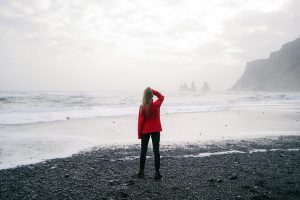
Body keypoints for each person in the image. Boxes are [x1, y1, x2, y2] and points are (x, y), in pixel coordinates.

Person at [137, 87, 164, 179]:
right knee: (156, 151)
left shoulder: (142, 107)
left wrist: (139, 134)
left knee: (143, 151)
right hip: (156, 130)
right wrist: (153, 91)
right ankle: (157, 172)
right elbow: (161, 96)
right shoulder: (156, 104)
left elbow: (140, 122)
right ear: (152, 95)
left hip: (145, 130)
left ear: (144, 95)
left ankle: (141, 171)